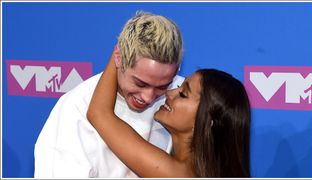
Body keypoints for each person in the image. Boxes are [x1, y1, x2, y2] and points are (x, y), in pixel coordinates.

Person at [34, 11, 184, 178]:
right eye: (140, 83)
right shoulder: (75, 108)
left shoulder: (183, 98)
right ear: (118, 58)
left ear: (176, 71)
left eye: (162, 86)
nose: (148, 97)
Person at [87, 52, 251, 177]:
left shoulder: (177, 173)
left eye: (183, 94)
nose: (170, 93)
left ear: (207, 121)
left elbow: (99, 113)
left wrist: (120, 53)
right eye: (178, 87)